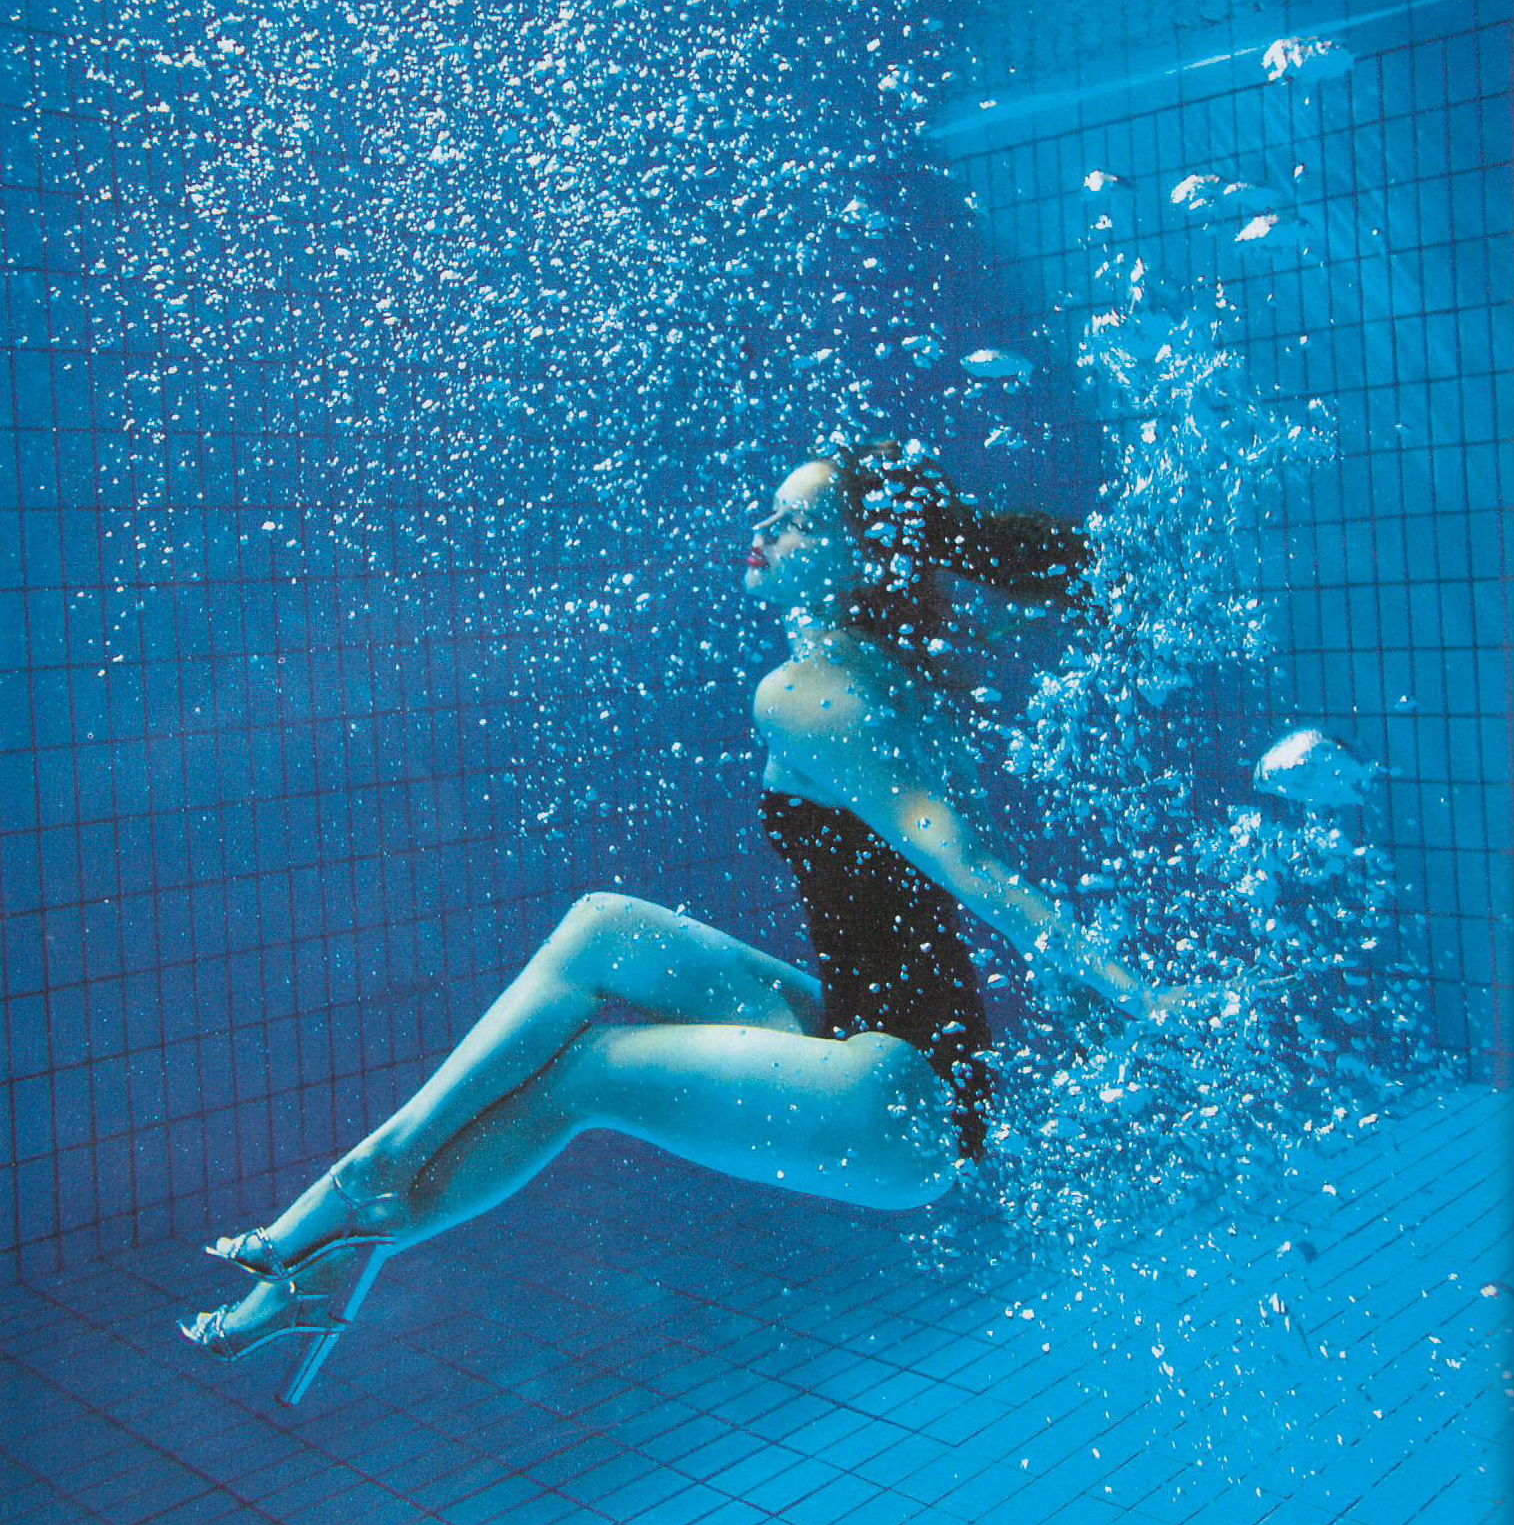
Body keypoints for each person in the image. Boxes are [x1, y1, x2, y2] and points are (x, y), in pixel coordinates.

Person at [181, 438, 1171, 1404]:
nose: (763, 531)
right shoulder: (893, 674)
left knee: (586, 1074)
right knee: (605, 926)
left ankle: (353, 1215)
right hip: (894, 1060)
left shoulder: (806, 695)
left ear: (864, 556)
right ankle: (365, 1188)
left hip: (899, 1104)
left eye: (797, 522)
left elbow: (966, 863)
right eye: (771, 513)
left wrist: (1137, 995)